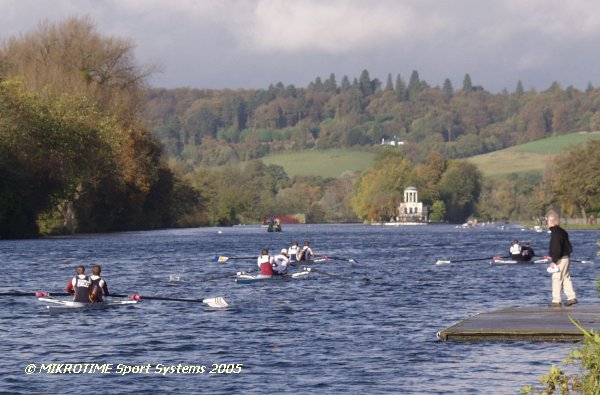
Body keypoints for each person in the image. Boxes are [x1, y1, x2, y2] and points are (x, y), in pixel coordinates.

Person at [547, 213, 577, 307]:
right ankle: (571, 297)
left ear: (552, 222)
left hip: (559, 259)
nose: (547, 223)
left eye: (547, 221)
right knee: (565, 278)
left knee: (556, 278)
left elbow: (556, 247)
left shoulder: (555, 233)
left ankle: (556, 301)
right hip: (566, 257)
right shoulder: (563, 231)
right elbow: (569, 247)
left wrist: (553, 260)